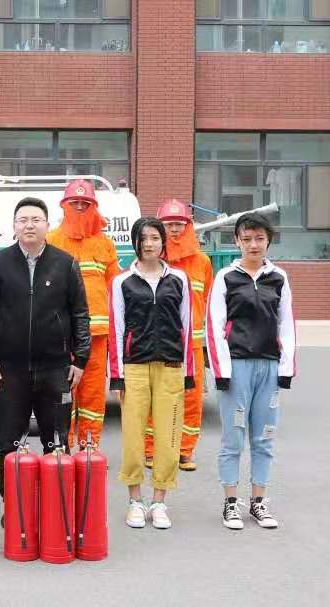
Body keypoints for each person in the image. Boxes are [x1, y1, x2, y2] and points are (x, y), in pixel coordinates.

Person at [0, 197, 91, 504]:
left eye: (36, 219)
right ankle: (14, 506)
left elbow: (80, 313)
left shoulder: (65, 263)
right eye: (23, 220)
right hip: (9, 370)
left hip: (55, 368)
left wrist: (80, 359)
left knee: (57, 442)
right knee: (8, 443)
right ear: (14, 226)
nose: (29, 225)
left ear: (47, 225)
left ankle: (56, 507)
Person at [206, 212, 296, 531]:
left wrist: (286, 368)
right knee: (233, 438)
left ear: (268, 241)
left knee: (264, 437)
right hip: (237, 367)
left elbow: (286, 324)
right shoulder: (226, 277)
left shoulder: (279, 278)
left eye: (259, 238)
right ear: (237, 241)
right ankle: (231, 503)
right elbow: (214, 325)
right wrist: (222, 371)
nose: (253, 245)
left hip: (268, 366)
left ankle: (259, 502)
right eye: (247, 239)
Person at [109, 217, 195, 530]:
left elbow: (186, 326)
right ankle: (135, 501)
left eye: (155, 238)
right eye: (143, 238)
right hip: (134, 368)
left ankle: (159, 501)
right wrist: (117, 375)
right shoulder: (122, 281)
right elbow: (117, 329)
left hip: (170, 367)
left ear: (163, 242)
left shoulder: (179, 279)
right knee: (133, 438)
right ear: (135, 242)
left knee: (168, 438)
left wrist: (188, 372)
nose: (149, 244)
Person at [46, 179, 120, 449]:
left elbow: (114, 288)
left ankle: (89, 445)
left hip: (97, 336)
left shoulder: (105, 243)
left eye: (85, 203)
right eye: (74, 202)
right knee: (63, 391)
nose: (79, 206)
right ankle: (62, 445)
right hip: (61, 333)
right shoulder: (52, 240)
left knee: (92, 393)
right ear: (64, 205)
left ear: (93, 207)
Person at [142, 200, 214, 472]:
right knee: (153, 397)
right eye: (169, 224)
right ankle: (151, 450)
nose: (174, 229)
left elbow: (206, 299)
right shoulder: (152, 260)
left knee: (192, 398)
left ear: (188, 226)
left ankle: (184, 451)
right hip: (159, 342)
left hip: (191, 345)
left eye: (179, 224)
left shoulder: (202, 262)